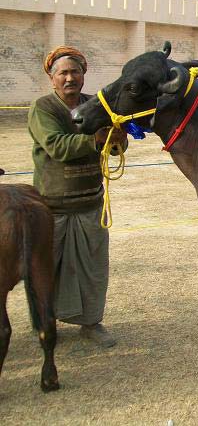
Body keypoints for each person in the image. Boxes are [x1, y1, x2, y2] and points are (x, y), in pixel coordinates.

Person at [27, 46, 127, 348]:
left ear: (84, 75)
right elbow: (56, 145)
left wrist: (116, 140)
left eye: (75, 72)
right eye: (63, 73)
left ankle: (91, 323)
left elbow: (110, 145)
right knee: (45, 269)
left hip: (90, 203)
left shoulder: (95, 106)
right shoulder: (43, 108)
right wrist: (94, 139)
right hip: (51, 207)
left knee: (93, 270)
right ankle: (44, 324)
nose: (70, 77)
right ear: (51, 78)